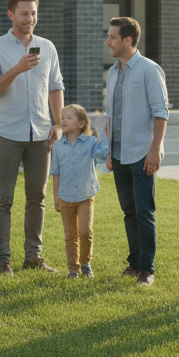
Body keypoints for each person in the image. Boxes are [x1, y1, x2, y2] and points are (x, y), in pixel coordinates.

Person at [0, 0, 65, 276]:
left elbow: (55, 87)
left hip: (41, 134)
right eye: (24, 13)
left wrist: (58, 123)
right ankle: (3, 260)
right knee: (3, 199)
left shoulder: (47, 47)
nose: (30, 19)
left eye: (33, 13)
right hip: (7, 134)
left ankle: (33, 257)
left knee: (37, 198)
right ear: (11, 15)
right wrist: (17, 69)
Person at [103, 16, 169, 286]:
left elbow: (161, 112)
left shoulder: (149, 70)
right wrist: (109, 151)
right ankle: (133, 263)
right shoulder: (113, 72)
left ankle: (147, 269)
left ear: (127, 40)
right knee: (129, 211)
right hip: (118, 153)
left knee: (144, 211)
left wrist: (155, 150)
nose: (107, 42)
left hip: (143, 152)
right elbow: (111, 115)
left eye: (112, 38)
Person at [50, 104, 110, 278]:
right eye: (62, 117)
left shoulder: (90, 142)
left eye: (69, 117)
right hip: (66, 196)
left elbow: (102, 154)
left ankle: (85, 263)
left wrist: (102, 133)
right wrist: (56, 198)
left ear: (81, 123)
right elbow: (56, 173)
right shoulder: (58, 147)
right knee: (70, 235)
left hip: (86, 194)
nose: (63, 120)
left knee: (85, 232)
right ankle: (73, 269)